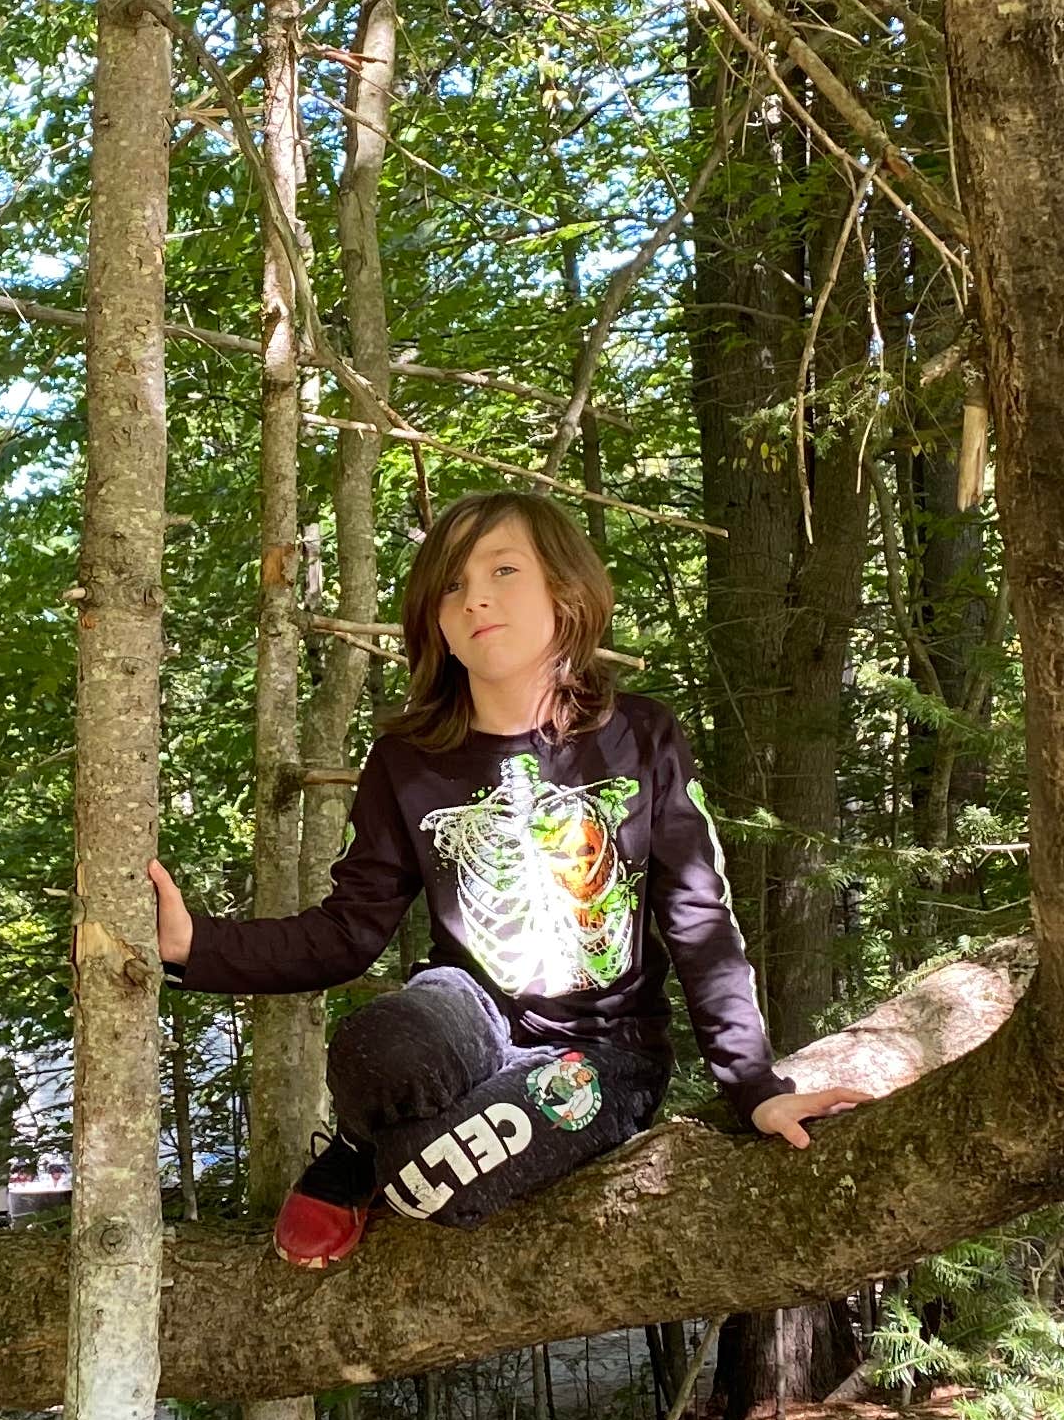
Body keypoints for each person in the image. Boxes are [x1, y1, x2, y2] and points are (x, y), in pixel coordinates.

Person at [154, 488, 870, 1267]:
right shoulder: (407, 762)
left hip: (603, 1051)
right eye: (452, 585)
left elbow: (699, 919)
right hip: (467, 1016)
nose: (476, 598)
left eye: (503, 570)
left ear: (566, 591)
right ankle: (366, 1142)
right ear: (434, 620)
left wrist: (754, 1087)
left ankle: (381, 1161)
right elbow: (349, 931)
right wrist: (199, 948)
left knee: (429, 1181)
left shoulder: (641, 737)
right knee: (375, 1045)